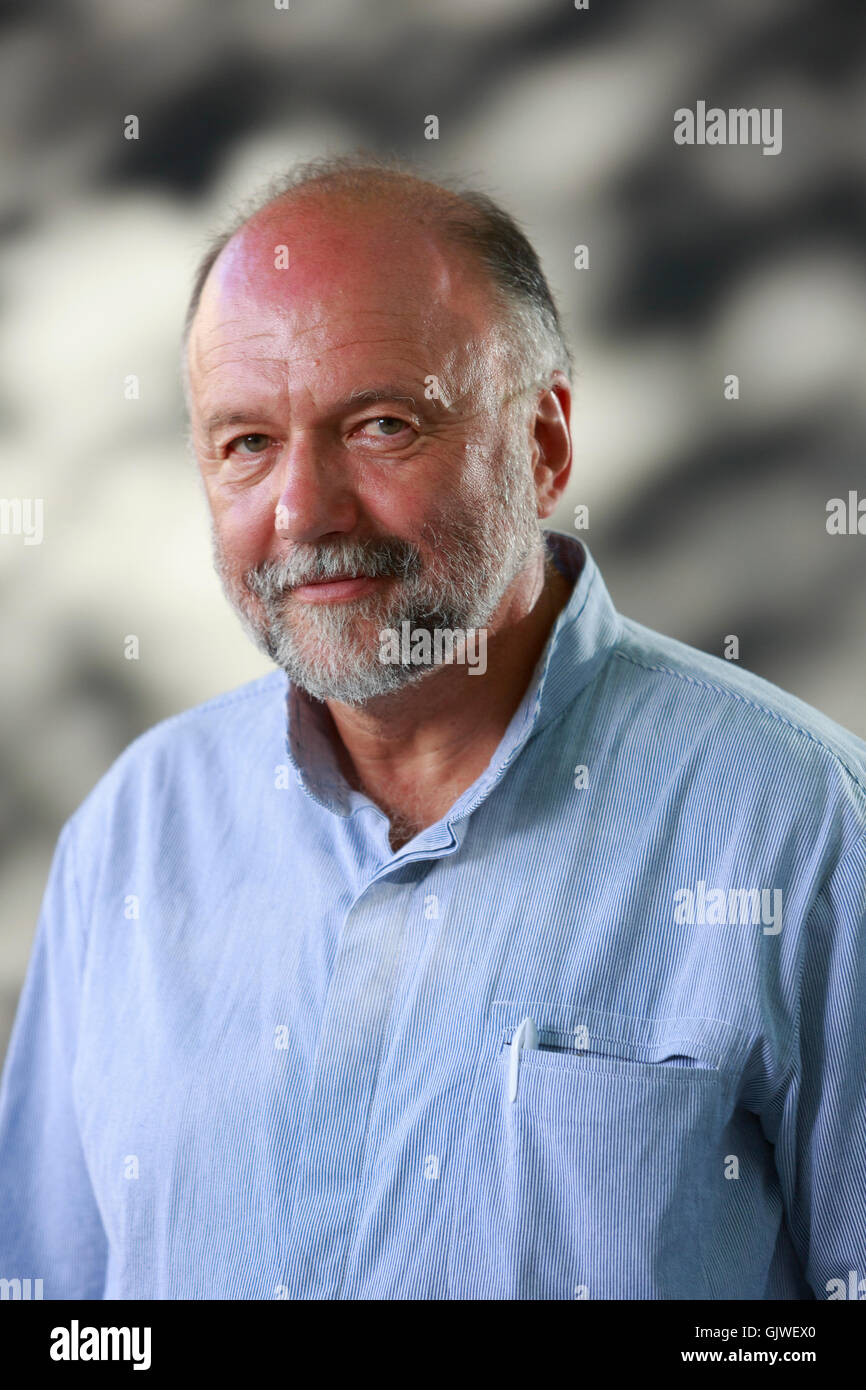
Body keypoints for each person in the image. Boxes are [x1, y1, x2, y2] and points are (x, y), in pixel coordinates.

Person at [1, 154, 864, 1301]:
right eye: (246, 443)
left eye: (380, 424)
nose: (304, 510)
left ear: (545, 444)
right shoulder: (132, 836)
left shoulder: (801, 831)